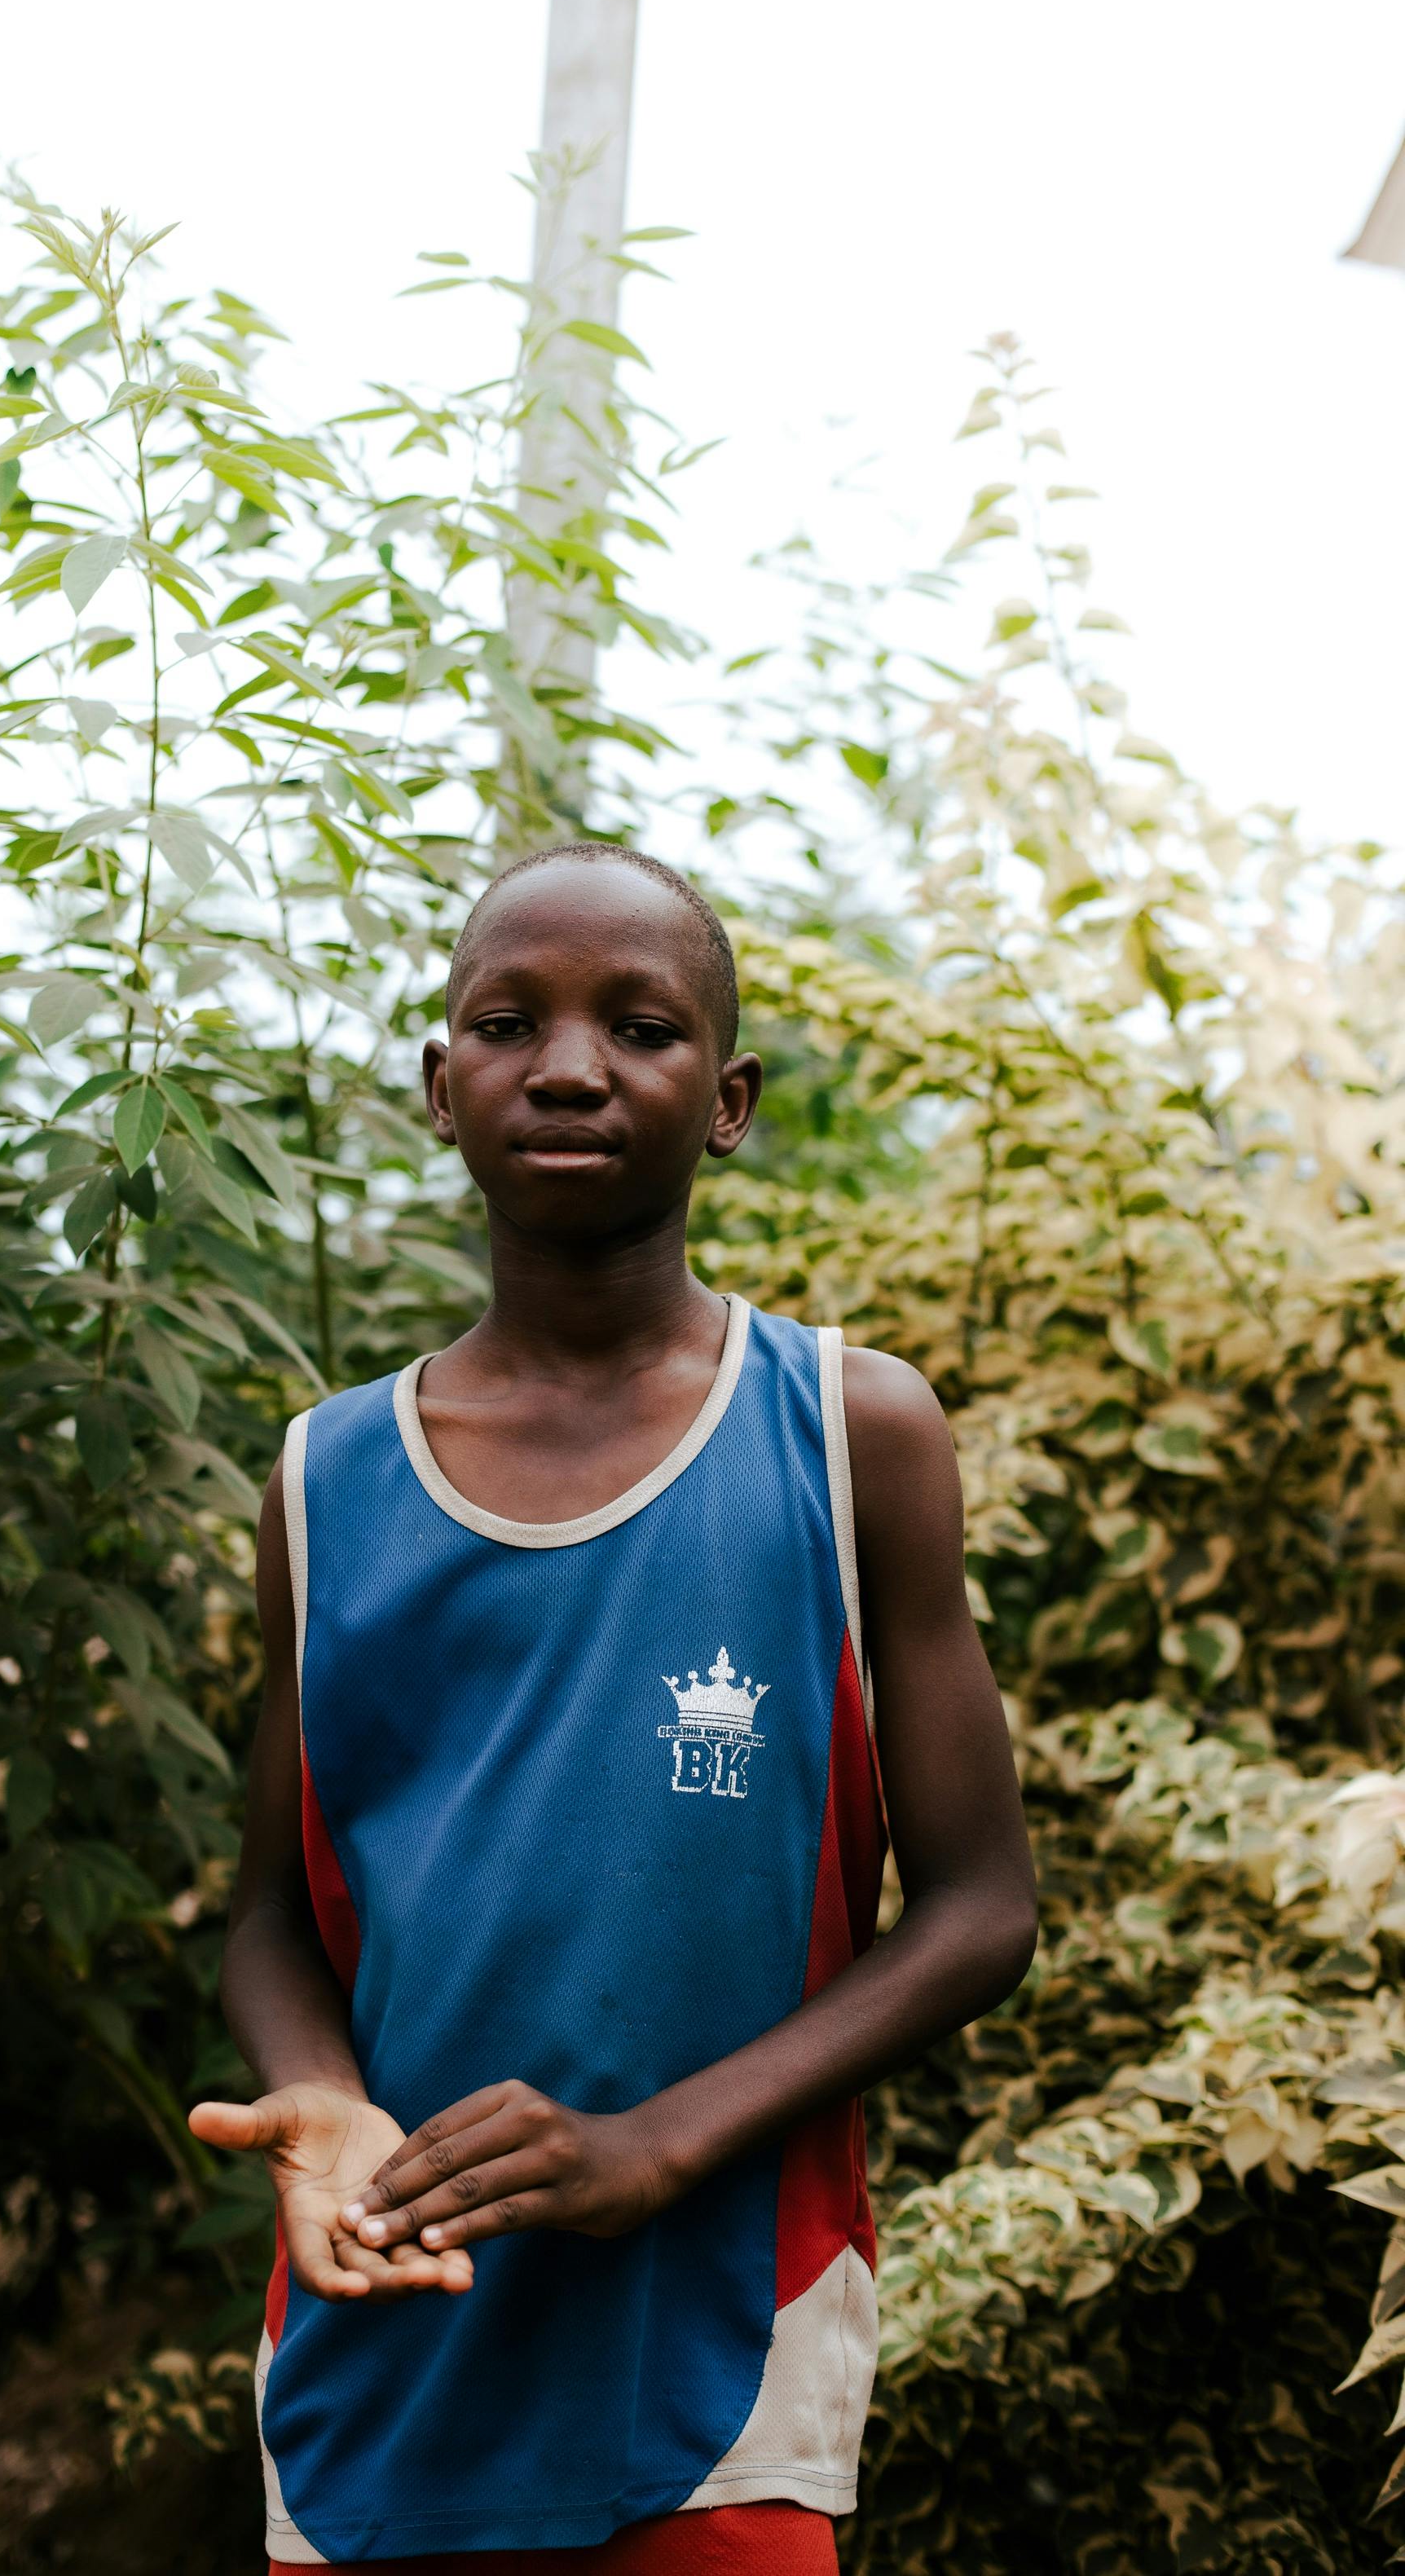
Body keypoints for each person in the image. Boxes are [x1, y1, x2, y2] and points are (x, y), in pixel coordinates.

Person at [190, 844, 1037, 2573]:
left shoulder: (846, 1433)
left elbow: (980, 1911)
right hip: (382, 2357)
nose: (569, 1066)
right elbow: (272, 1913)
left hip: (722, 2359)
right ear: (445, 1087)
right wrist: (320, 2100)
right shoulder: (325, 1478)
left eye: (638, 1027)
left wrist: (660, 2143)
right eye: (508, 1022)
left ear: (724, 1102)